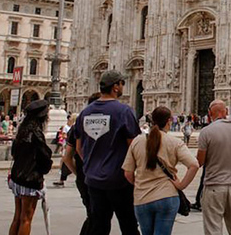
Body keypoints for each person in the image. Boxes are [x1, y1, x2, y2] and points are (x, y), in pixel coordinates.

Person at [74, 70, 142, 235]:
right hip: (119, 180)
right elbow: (134, 146)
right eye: (122, 84)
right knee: (129, 225)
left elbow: (78, 147)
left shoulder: (85, 112)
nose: (123, 87)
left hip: (93, 180)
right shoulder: (123, 111)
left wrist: (92, 164)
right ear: (116, 87)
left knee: (99, 225)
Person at [123, 106, 200, 235]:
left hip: (142, 198)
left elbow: (128, 173)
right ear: (169, 121)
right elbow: (194, 165)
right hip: (167, 196)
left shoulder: (137, 141)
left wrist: (140, 184)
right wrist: (181, 185)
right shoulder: (175, 142)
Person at [196, 99, 231, 235]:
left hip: (214, 185)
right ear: (226, 111)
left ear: (209, 113)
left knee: (213, 229)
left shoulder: (206, 132)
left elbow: (200, 161)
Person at [8, 100, 53, 235]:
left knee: (17, 217)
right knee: (26, 219)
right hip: (30, 179)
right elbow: (45, 156)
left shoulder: (22, 131)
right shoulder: (36, 133)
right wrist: (44, 168)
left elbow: (14, 153)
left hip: (17, 178)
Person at [63, 93, 101, 235]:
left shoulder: (78, 125)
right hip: (100, 177)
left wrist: (79, 174)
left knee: (93, 215)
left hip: (84, 177)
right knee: (98, 217)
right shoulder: (108, 124)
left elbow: (67, 157)